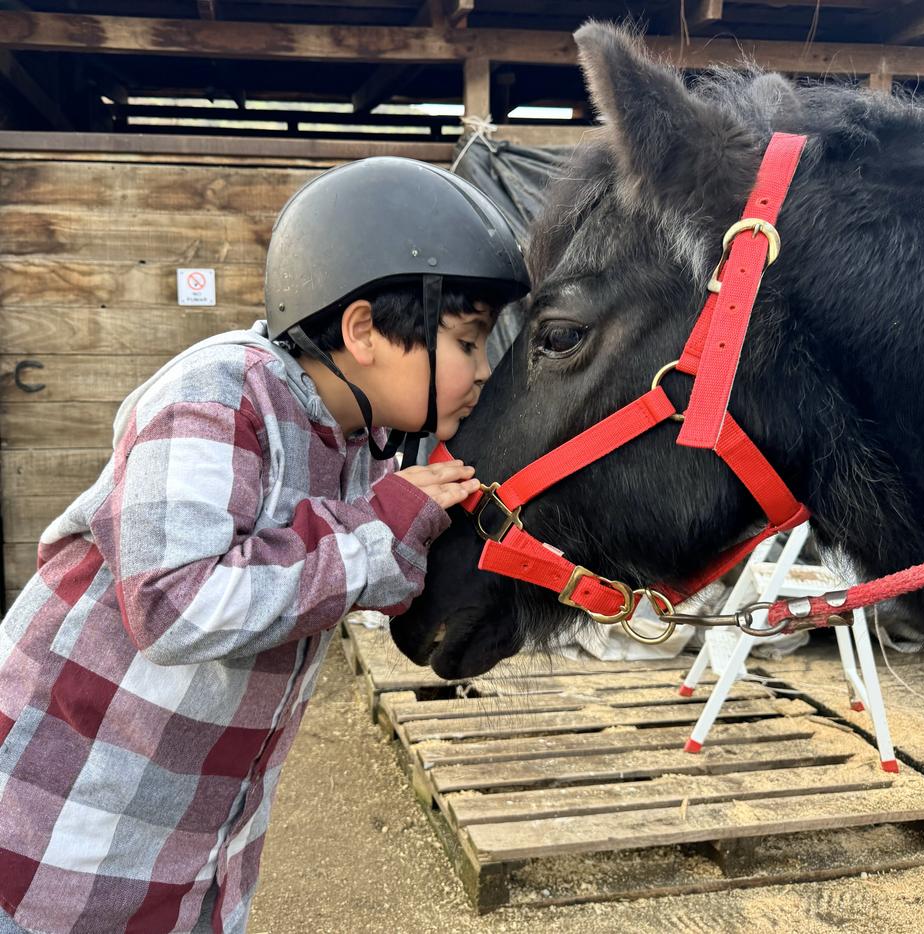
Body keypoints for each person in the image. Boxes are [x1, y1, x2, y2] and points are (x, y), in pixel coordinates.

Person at [0, 157, 529, 934]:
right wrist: (379, 529)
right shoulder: (220, 391)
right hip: (57, 830)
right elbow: (174, 606)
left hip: (198, 853)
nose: (483, 371)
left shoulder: (369, 442)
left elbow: (348, 574)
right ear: (363, 331)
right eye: (468, 341)